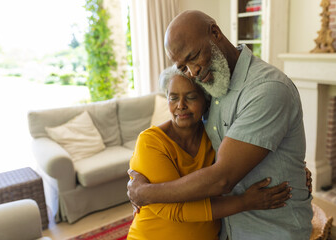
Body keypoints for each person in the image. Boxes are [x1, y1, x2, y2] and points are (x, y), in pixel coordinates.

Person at [128, 10, 313, 240]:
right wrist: (145, 167)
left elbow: (222, 179)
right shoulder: (210, 85)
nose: (193, 71)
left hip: (272, 229)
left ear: (215, 32)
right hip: (227, 229)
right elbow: (183, 127)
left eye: (194, 56)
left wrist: (145, 192)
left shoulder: (267, 88)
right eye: (183, 67)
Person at [127, 66, 292, 240]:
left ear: (206, 101)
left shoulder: (216, 136)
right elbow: (173, 209)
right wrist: (246, 202)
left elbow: (249, 155)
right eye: (173, 98)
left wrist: (293, 170)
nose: (181, 106)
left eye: (190, 97)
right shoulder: (150, 142)